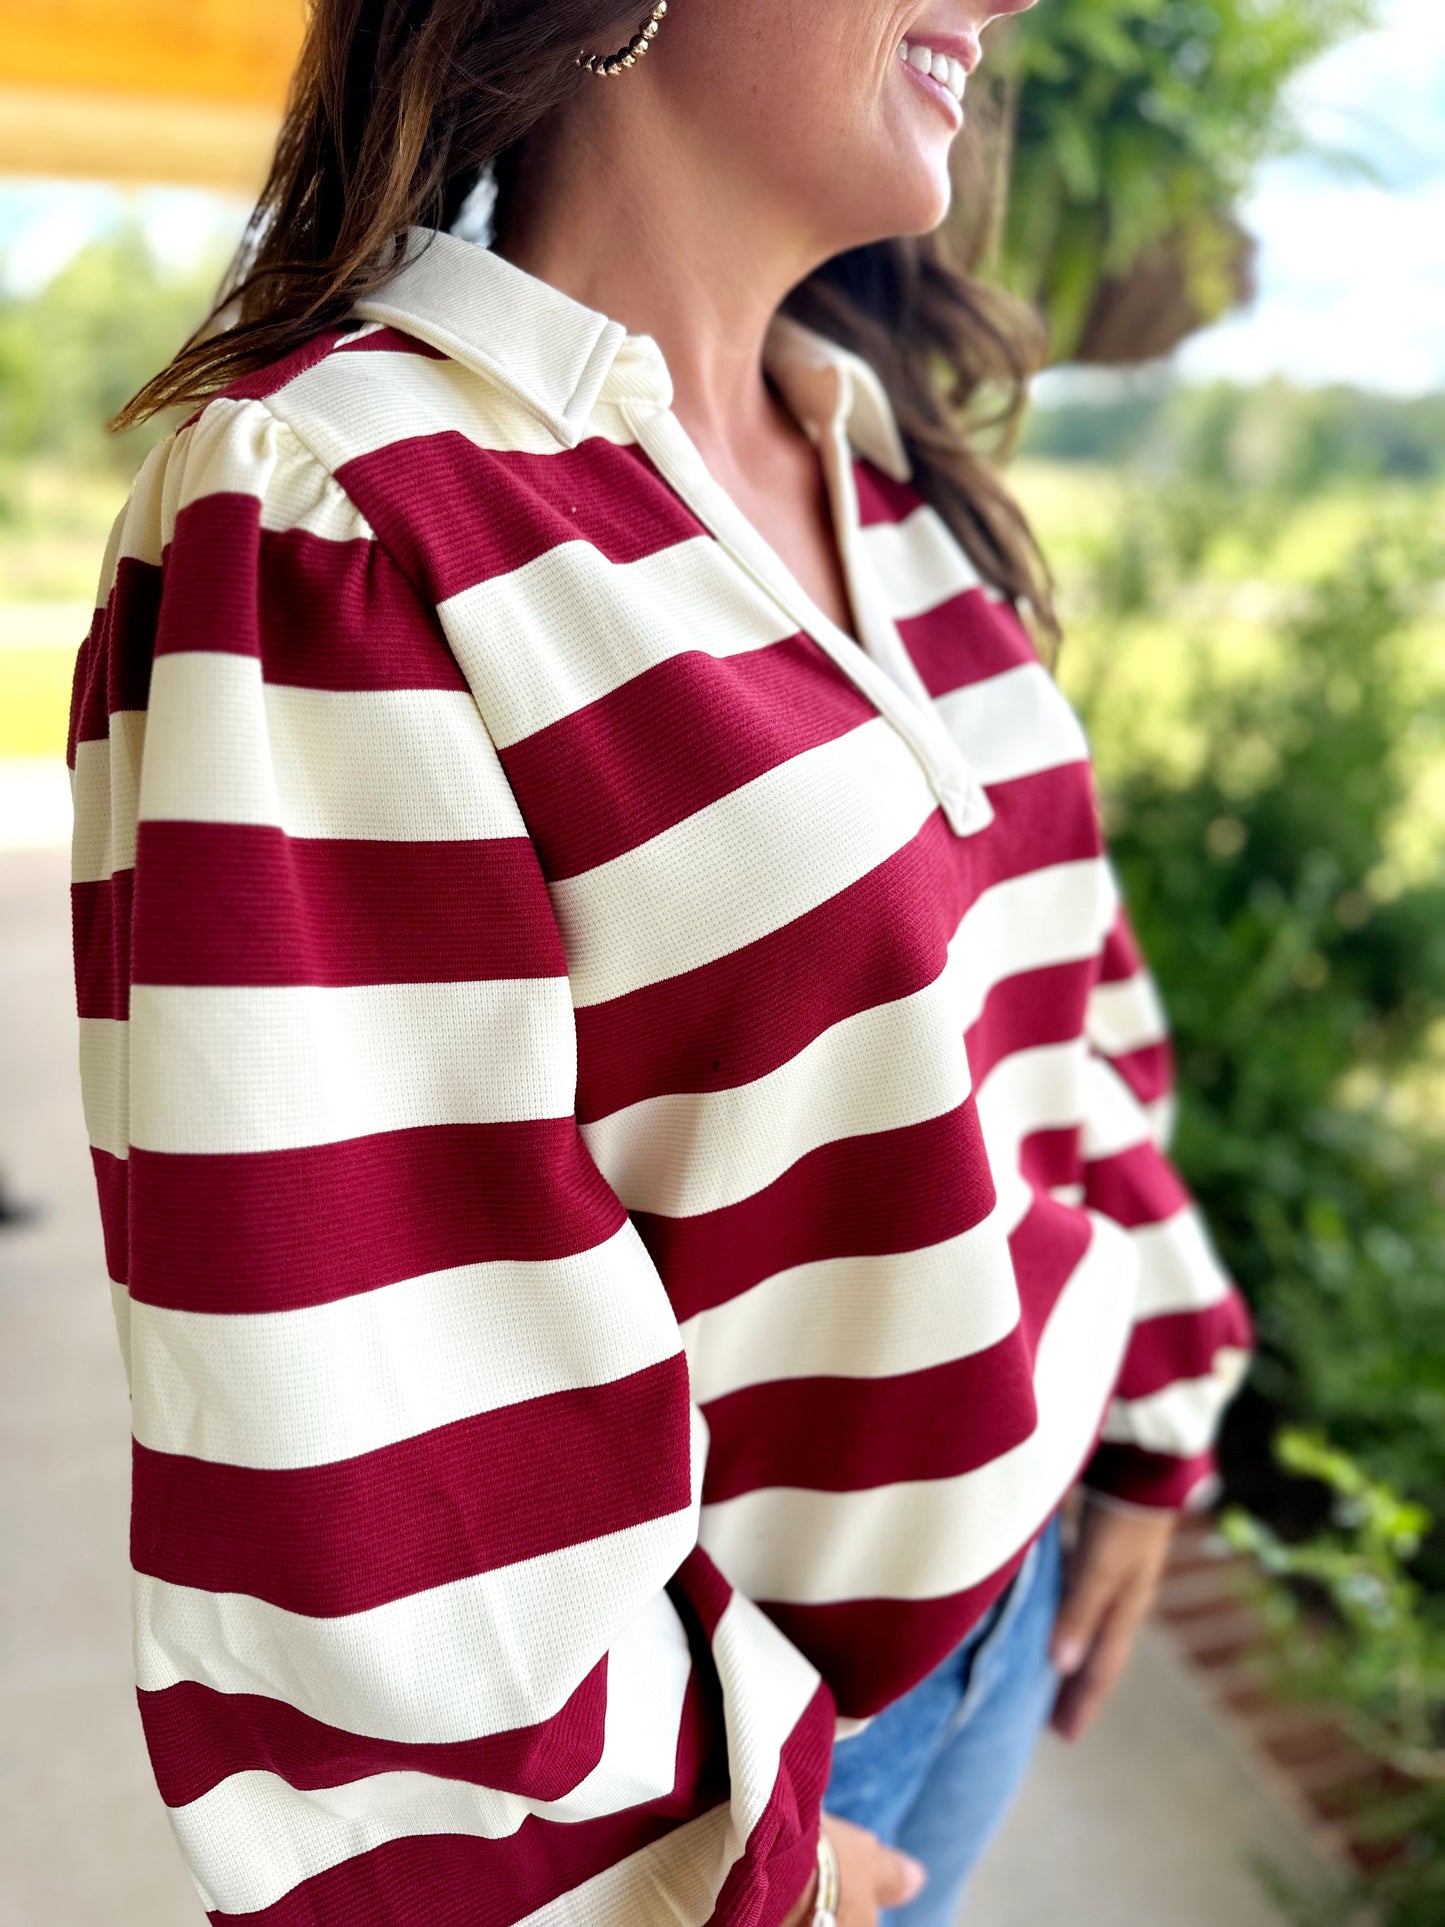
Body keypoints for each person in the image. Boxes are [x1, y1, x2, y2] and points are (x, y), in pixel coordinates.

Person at [69, 4, 1255, 1924]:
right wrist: (674, 1851)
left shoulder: (881, 471)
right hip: (738, 1787)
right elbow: (358, 1398)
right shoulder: (342, 508)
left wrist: (1150, 1402)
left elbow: (1049, 993)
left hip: (998, 1633)